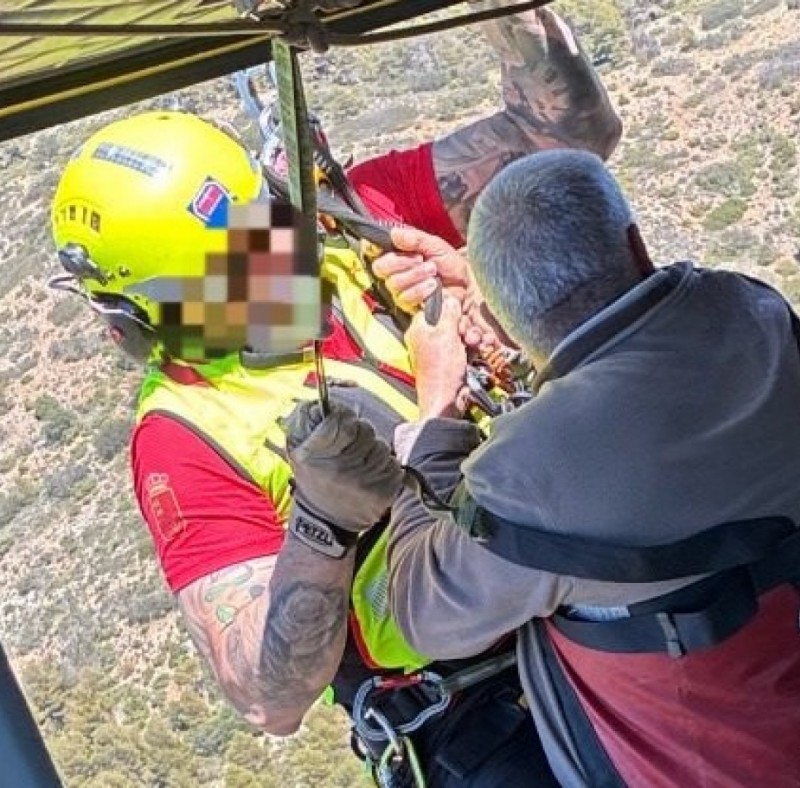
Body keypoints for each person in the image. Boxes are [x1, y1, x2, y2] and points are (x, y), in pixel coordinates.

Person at [45, 5, 621, 785]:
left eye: (266, 234)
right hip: (484, 711)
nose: (271, 271)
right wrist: (320, 527)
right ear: (145, 316)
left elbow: (570, 138)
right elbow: (265, 697)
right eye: (228, 275)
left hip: (596, 591)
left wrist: (514, 18)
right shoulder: (187, 434)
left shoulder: (350, 230)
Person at [317, 147, 800, 787]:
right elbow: (642, 409)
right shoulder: (758, 314)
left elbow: (424, 616)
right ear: (637, 244)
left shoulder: (536, 471)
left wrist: (435, 416)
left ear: (508, 309)